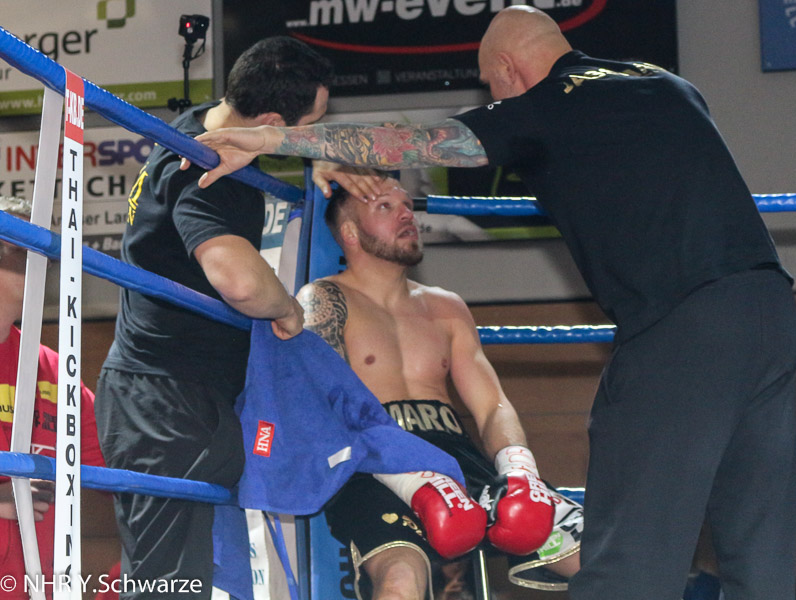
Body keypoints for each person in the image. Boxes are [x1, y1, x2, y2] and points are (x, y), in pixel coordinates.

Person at [189, 7, 796, 600]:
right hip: (772, 312)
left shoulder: (548, 104)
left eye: (490, 84)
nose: (494, 96)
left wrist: (271, 138)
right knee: (760, 539)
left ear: (508, 69)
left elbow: (417, 142)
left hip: (681, 327)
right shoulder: (665, 83)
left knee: (628, 548)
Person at [93, 36, 336, 599]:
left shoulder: (202, 124)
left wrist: (320, 152)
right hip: (165, 402)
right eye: (309, 127)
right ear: (272, 122)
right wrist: (287, 309)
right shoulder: (209, 168)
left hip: (185, 395)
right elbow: (239, 281)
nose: (313, 134)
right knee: (167, 587)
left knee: (205, 583)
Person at [296, 178, 583, 599]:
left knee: (600, 556)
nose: (406, 215)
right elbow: (323, 409)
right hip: (372, 463)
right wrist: (412, 482)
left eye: (406, 205)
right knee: (400, 579)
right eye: (385, 207)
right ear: (350, 233)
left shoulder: (446, 305)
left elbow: (492, 406)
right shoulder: (324, 299)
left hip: (456, 460)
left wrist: (520, 470)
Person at [0, 196, 107, 599]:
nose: (42, 264)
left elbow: (122, 465)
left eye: (47, 255)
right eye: (25, 248)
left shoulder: (55, 371)